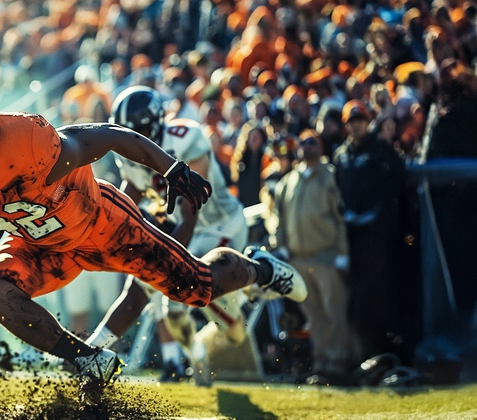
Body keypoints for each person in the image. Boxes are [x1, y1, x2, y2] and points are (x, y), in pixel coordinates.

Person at [0, 83, 307, 392]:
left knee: (196, 289)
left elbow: (112, 135)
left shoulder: (25, 140)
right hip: (42, 244)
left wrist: (171, 170)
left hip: (102, 223)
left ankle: (260, 269)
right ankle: (85, 359)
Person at [85, 85, 251, 386]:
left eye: (136, 133)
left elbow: (191, 212)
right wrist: (110, 233)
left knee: (227, 327)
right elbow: (130, 196)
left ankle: (256, 272)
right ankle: (90, 351)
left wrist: (162, 258)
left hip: (219, 226)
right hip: (184, 229)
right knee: (160, 302)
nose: (129, 141)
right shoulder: (129, 157)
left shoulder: (186, 138)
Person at [272, 129, 362, 386]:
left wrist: (343, 255)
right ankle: (322, 363)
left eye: (312, 142)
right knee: (314, 315)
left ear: (320, 147)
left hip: (326, 257)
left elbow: (340, 218)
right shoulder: (288, 181)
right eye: (302, 142)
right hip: (298, 259)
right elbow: (280, 218)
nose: (306, 146)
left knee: (335, 312)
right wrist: (282, 247)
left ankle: (339, 363)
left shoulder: (330, 177)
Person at [333, 99, 407, 363]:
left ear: (368, 122)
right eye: (352, 122)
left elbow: (399, 185)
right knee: (358, 297)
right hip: (352, 237)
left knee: (383, 294)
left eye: (360, 121)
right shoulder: (340, 155)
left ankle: (389, 355)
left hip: (379, 238)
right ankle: (363, 356)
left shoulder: (382, 152)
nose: (356, 126)